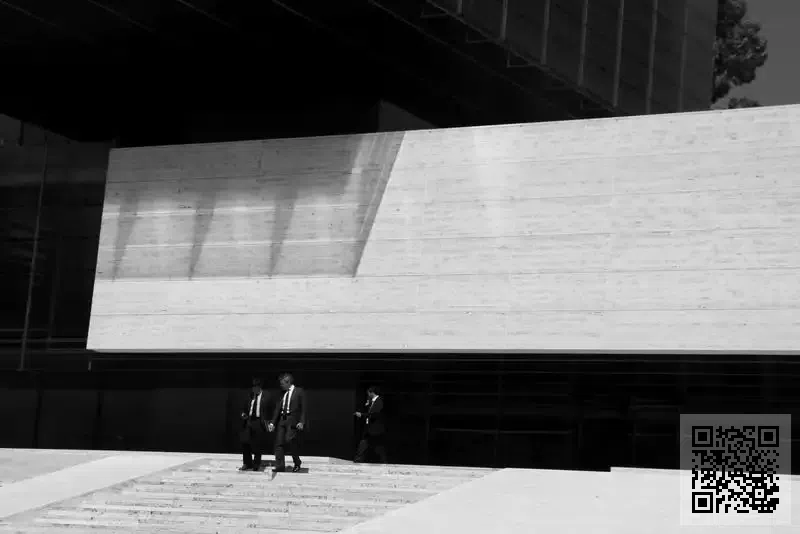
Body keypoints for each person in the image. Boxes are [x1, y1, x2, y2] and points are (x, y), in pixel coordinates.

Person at [268, 373, 306, 473]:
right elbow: (277, 408)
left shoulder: (299, 391)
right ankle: (280, 466)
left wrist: (301, 421)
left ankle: (297, 462)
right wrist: (272, 423)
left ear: (288, 382)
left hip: (292, 420)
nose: (281, 386)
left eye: (282, 384)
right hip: (282, 419)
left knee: (290, 441)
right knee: (278, 443)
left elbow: (303, 408)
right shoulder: (282, 393)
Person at [240, 378, 270, 471]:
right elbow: (245, 409)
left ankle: (256, 464)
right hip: (249, 420)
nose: (253, 389)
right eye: (252, 387)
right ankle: (247, 463)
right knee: (245, 442)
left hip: (259, 421)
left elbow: (271, 409)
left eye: (255, 387)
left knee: (257, 444)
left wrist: (270, 422)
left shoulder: (266, 396)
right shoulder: (250, 395)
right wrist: (243, 414)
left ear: (259, 387)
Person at [354, 386, 387, 463]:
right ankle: (358, 459)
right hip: (370, 429)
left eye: (368, 393)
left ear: (372, 393)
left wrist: (361, 415)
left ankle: (384, 461)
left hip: (376, 428)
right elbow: (370, 412)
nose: (368, 395)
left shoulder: (379, 401)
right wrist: (368, 405)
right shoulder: (372, 402)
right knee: (364, 442)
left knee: (379, 446)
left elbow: (375, 414)